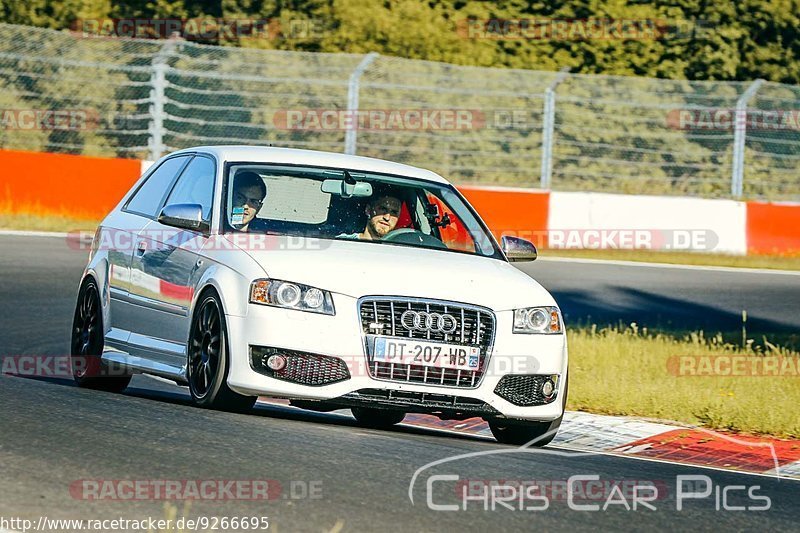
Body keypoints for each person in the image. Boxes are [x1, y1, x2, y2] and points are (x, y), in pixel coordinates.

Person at [339, 193, 403, 240]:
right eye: (383, 209)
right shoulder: (342, 242)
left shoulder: (400, 253)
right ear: (368, 210)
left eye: (394, 212)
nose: (387, 217)